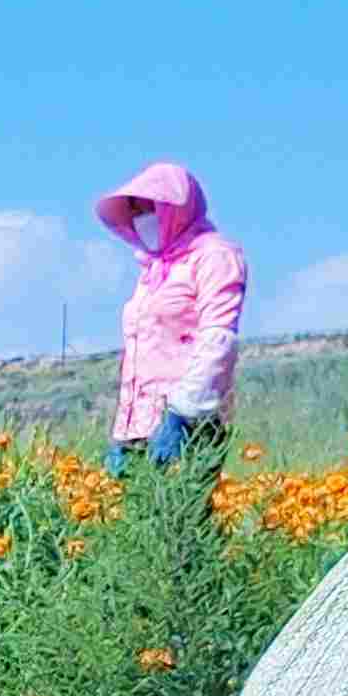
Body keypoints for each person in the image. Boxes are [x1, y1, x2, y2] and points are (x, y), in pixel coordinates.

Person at [98, 160, 247, 478]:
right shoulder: (154, 268)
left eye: (148, 209)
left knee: (181, 521)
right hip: (138, 427)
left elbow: (217, 339)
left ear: (174, 208)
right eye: (134, 212)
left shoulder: (214, 256)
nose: (142, 220)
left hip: (189, 422)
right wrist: (123, 434)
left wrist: (181, 415)